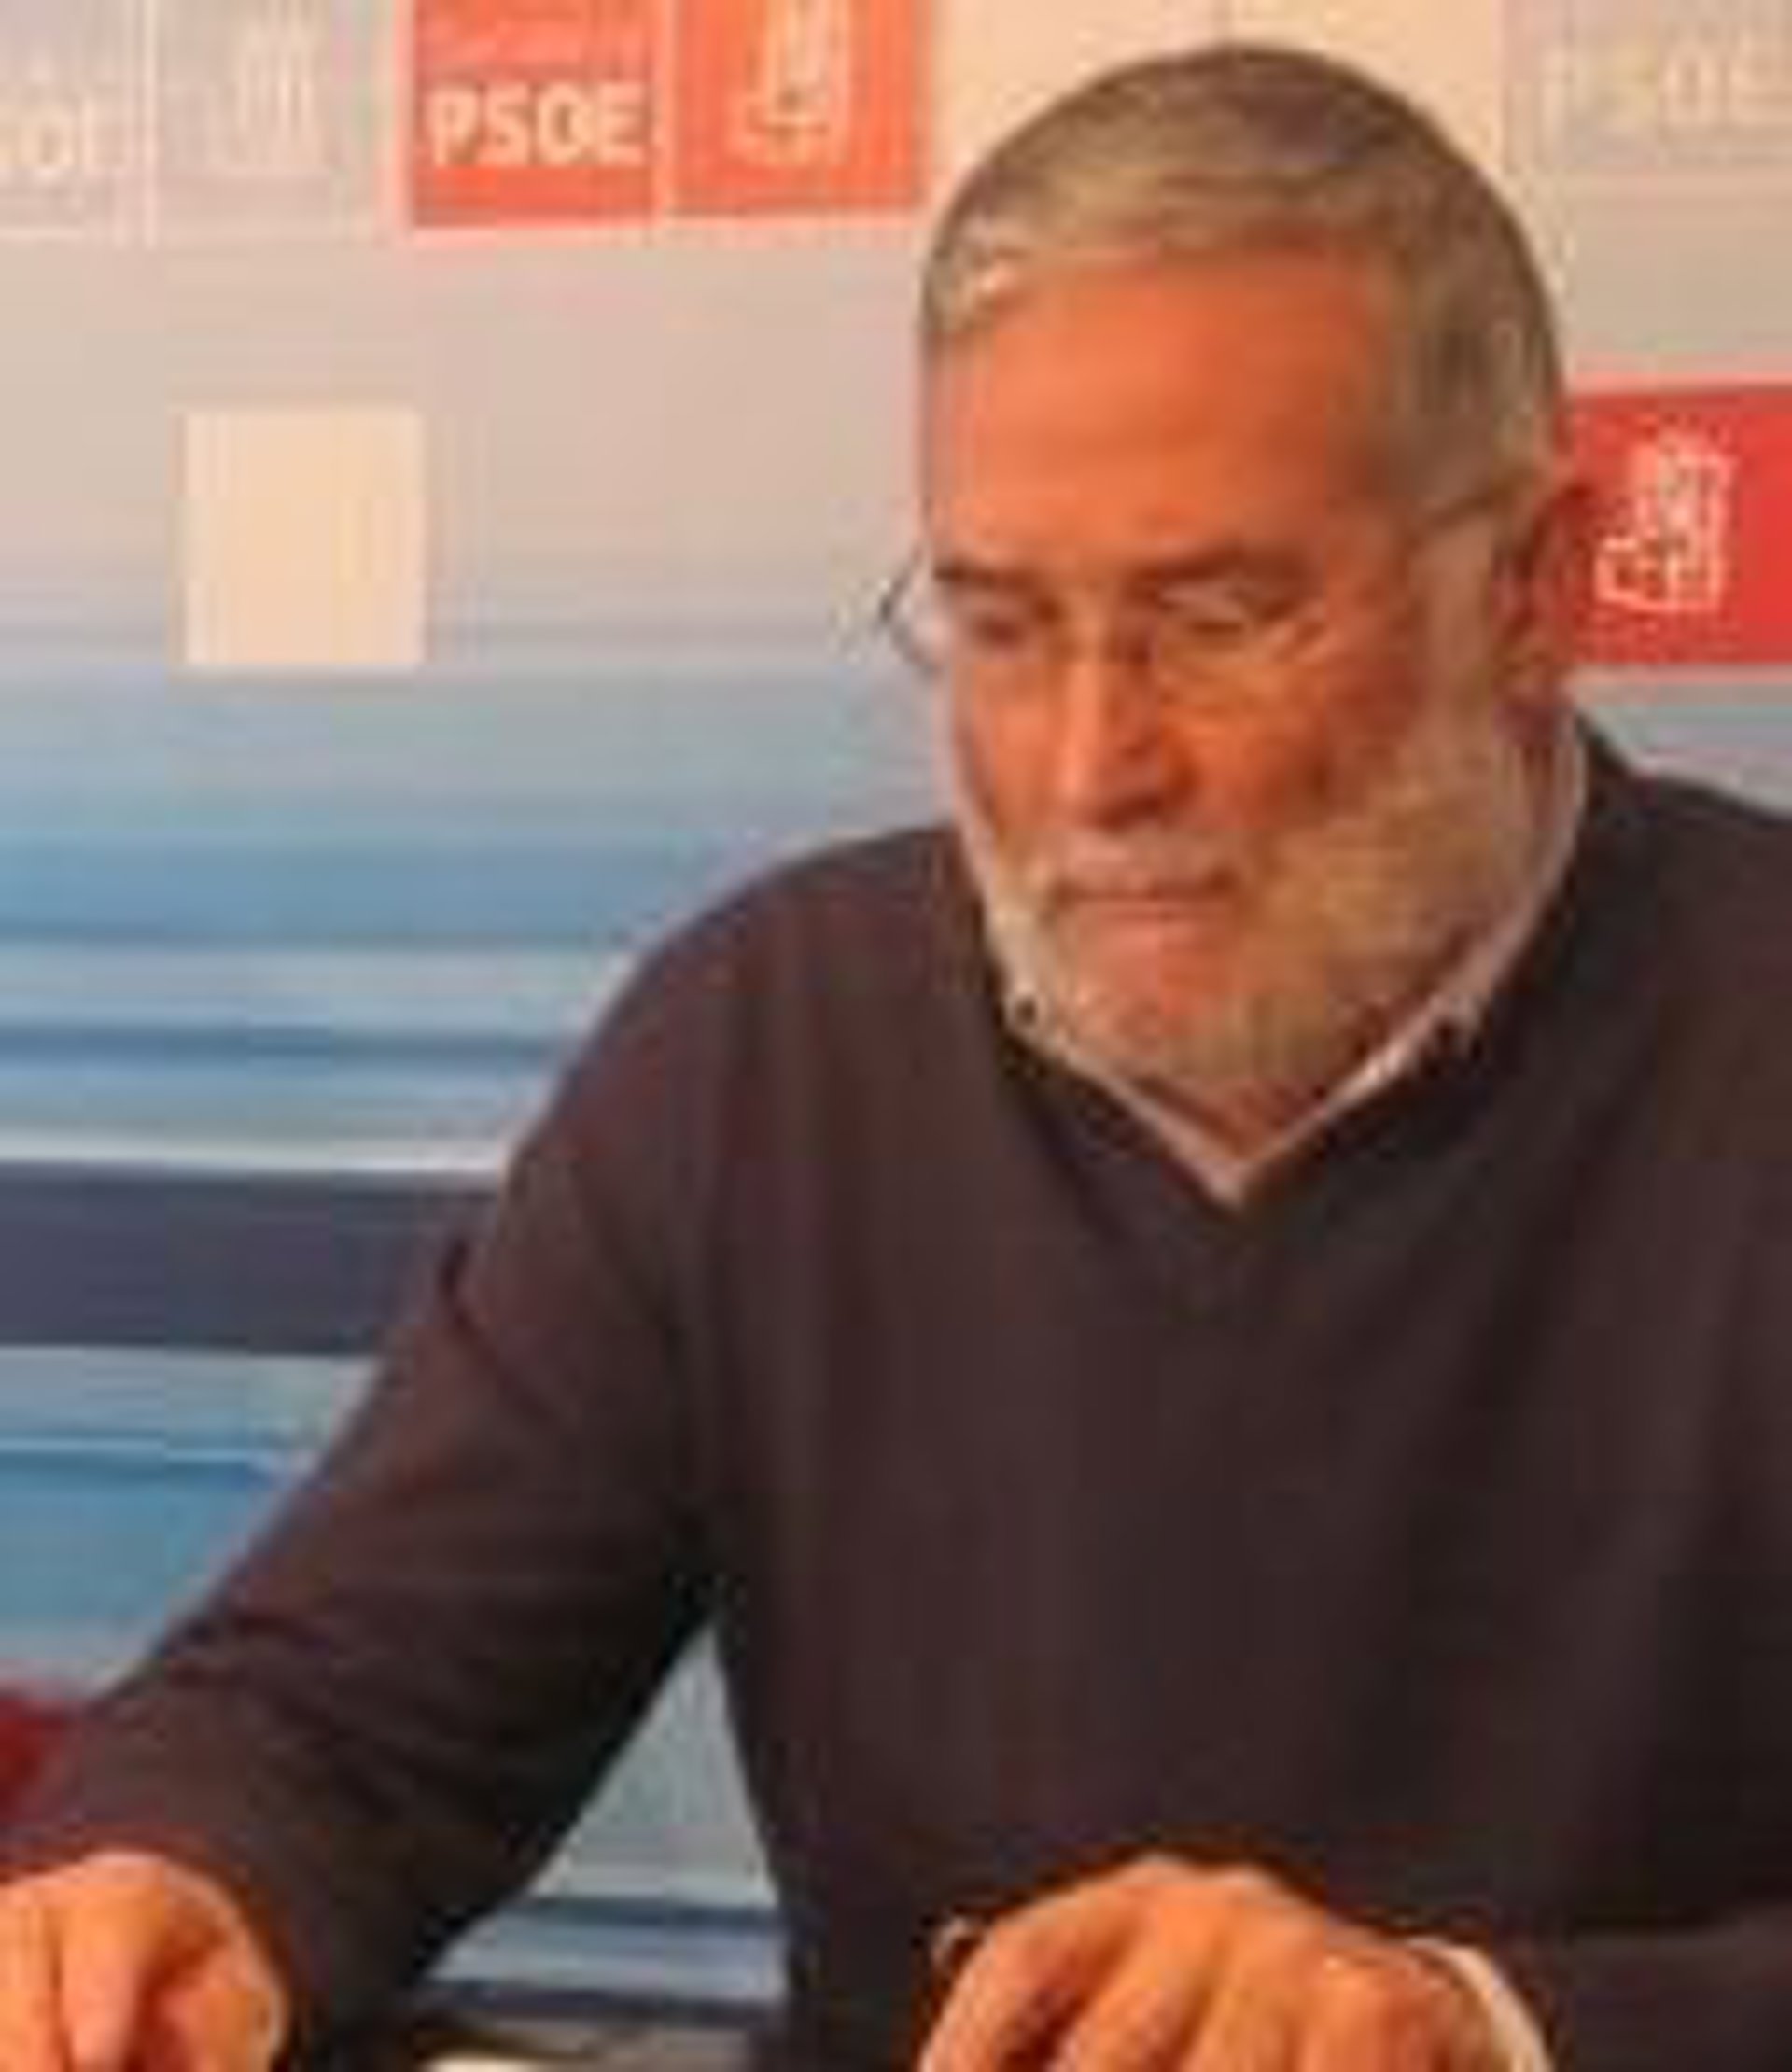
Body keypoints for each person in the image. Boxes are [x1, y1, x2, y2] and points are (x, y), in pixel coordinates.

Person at [4, 37, 1792, 2072]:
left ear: (1533, 591)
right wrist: (181, 1884)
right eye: (1003, 626)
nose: (1094, 766)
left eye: (1219, 616)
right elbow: (337, 1706)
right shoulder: (766, 1045)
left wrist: (1482, 2028)